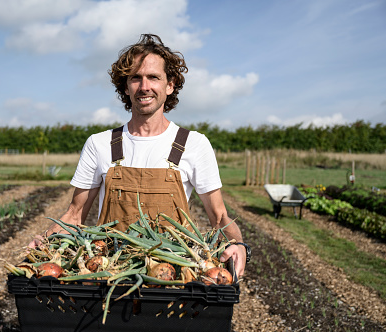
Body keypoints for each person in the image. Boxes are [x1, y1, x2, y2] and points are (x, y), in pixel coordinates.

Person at [29, 34, 249, 278]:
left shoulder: (194, 144)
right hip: (110, 272)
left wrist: (237, 245)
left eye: (153, 77)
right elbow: (74, 215)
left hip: (172, 276)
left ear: (170, 85)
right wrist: (44, 245)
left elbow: (219, 217)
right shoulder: (99, 144)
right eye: (135, 78)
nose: (144, 86)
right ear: (125, 86)